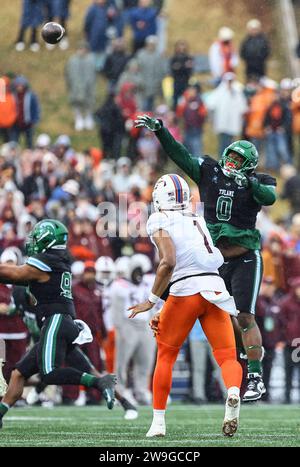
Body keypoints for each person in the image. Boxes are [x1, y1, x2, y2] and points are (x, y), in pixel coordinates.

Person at [135, 114, 277, 402]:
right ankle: (163, 314)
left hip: (245, 256)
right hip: (213, 259)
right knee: (211, 309)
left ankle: (255, 377)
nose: (233, 163)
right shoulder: (210, 171)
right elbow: (181, 154)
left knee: (245, 315)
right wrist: (161, 132)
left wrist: (247, 182)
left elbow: (269, 197)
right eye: (232, 157)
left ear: (249, 165)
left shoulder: (258, 180)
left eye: (239, 160)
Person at [129, 174, 242, 437]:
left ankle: (158, 422)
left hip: (185, 291)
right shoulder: (197, 216)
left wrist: (152, 301)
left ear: (160, 196)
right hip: (215, 287)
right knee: (227, 357)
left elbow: (168, 263)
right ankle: (234, 392)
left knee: (166, 356)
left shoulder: (158, 218)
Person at [0, 219, 116, 429]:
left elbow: (14, 274)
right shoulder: (56, 261)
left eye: (36, 237)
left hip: (56, 320)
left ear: (47, 239)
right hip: (59, 322)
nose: (33, 241)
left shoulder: (47, 259)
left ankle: (100, 382)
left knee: (49, 373)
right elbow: (20, 278)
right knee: (19, 374)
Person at [65, 41, 97, 131]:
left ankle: (88, 119)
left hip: (88, 87)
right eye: (81, 49)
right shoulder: (72, 60)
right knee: (76, 104)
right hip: (75, 87)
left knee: (89, 104)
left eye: (84, 49)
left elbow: (93, 74)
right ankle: (78, 119)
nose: (82, 51)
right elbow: (68, 74)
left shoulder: (91, 60)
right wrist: (70, 85)